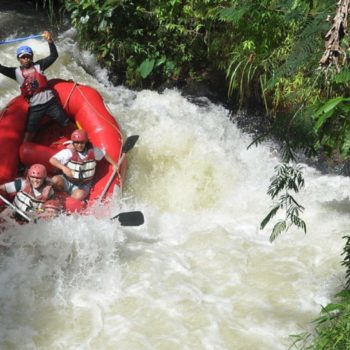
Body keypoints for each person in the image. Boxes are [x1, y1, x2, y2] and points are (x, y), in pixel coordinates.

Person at [0, 30, 70, 142]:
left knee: (66, 123)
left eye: (28, 56)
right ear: (19, 59)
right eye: (23, 57)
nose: (26, 59)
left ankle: (76, 141)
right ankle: (24, 153)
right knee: (29, 134)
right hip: (35, 107)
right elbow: (1, 68)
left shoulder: (39, 65)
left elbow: (54, 55)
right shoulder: (15, 72)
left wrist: (50, 40)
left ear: (31, 57)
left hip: (50, 102)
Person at [49, 129, 118, 200]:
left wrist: (114, 164)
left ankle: (71, 200)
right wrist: (63, 168)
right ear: (73, 143)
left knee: (78, 196)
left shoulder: (93, 151)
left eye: (82, 143)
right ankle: (60, 195)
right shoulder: (68, 152)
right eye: (76, 143)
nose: (79, 145)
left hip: (84, 183)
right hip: (67, 180)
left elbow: (104, 154)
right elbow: (52, 160)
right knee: (54, 180)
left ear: (86, 142)